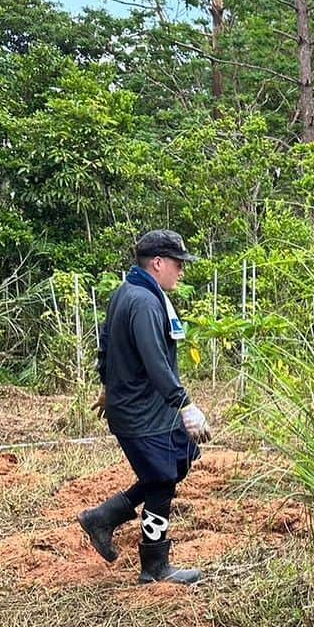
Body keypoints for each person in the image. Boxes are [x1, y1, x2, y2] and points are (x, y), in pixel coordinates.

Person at [78, 229, 211, 585]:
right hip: (142, 413)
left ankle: (103, 518)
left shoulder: (129, 292)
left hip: (145, 408)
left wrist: (108, 388)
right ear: (157, 263)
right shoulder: (145, 302)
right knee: (162, 480)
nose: (181, 271)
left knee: (177, 464)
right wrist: (184, 404)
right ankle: (154, 565)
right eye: (177, 264)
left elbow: (105, 346)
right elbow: (156, 362)